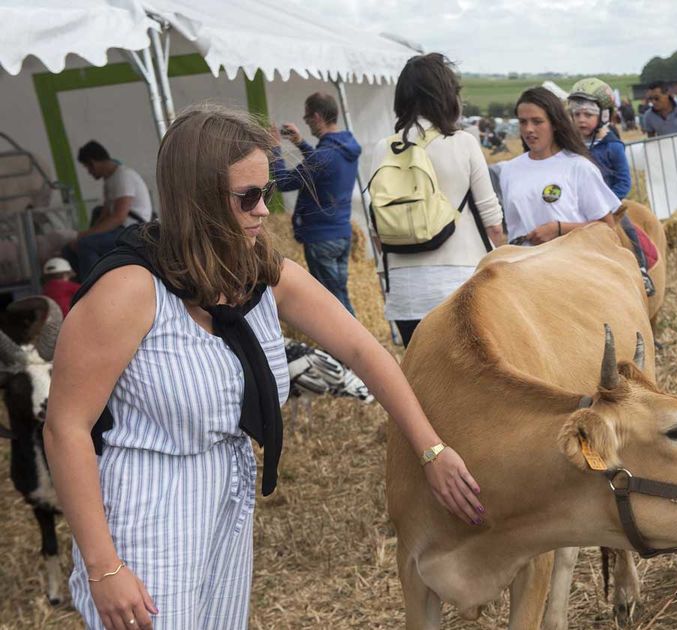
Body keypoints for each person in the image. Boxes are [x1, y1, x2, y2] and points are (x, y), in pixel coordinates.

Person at [45, 104, 484, 630]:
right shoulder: (129, 291)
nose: (264, 210)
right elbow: (65, 427)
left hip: (227, 493)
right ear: (198, 198)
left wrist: (430, 449)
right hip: (146, 506)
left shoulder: (260, 272)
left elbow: (365, 352)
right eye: (247, 196)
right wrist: (102, 565)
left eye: (268, 191)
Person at [372, 54, 504, 348]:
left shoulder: (384, 148)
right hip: (462, 281)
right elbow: (492, 220)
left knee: (425, 382)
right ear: (447, 95)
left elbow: (378, 228)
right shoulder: (464, 142)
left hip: (405, 287)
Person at [270, 92, 361, 315]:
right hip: (341, 234)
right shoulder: (346, 146)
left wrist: (274, 148)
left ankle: (351, 346)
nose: (306, 121)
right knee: (339, 294)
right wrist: (300, 143)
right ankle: (353, 343)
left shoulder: (324, 156)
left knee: (333, 305)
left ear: (318, 117)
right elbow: (321, 165)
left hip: (321, 239)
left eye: (307, 117)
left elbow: (283, 181)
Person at [567, 77, 656, 295]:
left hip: (608, 207)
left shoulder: (612, 146)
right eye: (576, 114)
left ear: (604, 115)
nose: (581, 120)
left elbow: (624, 181)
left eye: (588, 114)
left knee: (627, 228)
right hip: (576, 209)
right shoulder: (569, 147)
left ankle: (641, 268)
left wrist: (607, 205)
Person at [500, 87, 620, 247]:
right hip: (522, 266)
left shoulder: (579, 167)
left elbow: (607, 229)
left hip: (570, 265)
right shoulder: (508, 170)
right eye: (523, 122)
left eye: (537, 121)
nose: (528, 129)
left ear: (555, 124)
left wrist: (559, 229)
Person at [67, 141, 154, 280]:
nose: (89, 172)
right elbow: (105, 215)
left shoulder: (123, 176)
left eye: (87, 168)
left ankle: (94, 285)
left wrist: (85, 236)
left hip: (133, 231)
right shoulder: (110, 180)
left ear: (93, 162)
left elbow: (118, 217)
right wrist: (84, 235)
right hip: (121, 229)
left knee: (86, 245)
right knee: (71, 248)